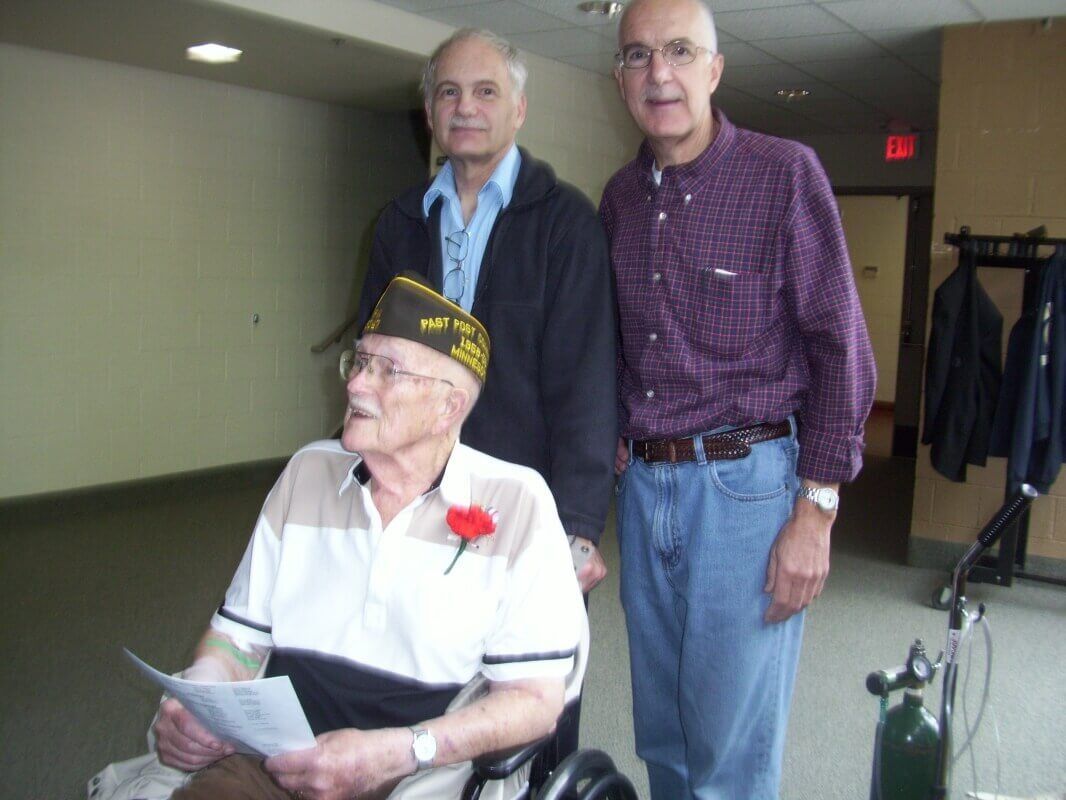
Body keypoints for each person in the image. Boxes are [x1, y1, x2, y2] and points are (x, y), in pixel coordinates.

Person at [154, 274, 587, 800]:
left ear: (448, 407)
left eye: (389, 371)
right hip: (276, 765)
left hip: (419, 778)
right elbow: (238, 637)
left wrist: (400, 752)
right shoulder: (307, 472)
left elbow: (535, 702)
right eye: (359, 363)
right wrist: (202, 694)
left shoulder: (517, 503)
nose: (356, 385)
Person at [599, 0, 877, 797]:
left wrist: (815, 513)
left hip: (746, 492)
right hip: (646, 489)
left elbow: (842, 349)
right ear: (619, 77)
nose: (659, 72)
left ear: (714, 69)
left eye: (680, 51)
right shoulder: (620, 199)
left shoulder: (783, 175)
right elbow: (624, 343)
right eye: (638, 55)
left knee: (729, 754)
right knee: (665, 739)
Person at [355, 28, 617, 596]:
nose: (466, 106)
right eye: (449, 92)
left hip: (524, 500)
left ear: (519, 109)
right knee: (416, 661)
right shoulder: (398, 224)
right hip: (411, 490)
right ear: (430, 112)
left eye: (486, 92)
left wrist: (578, 525)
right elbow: (371, 369)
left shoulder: (566, 225)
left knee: (518, 674)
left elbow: (588, 384)